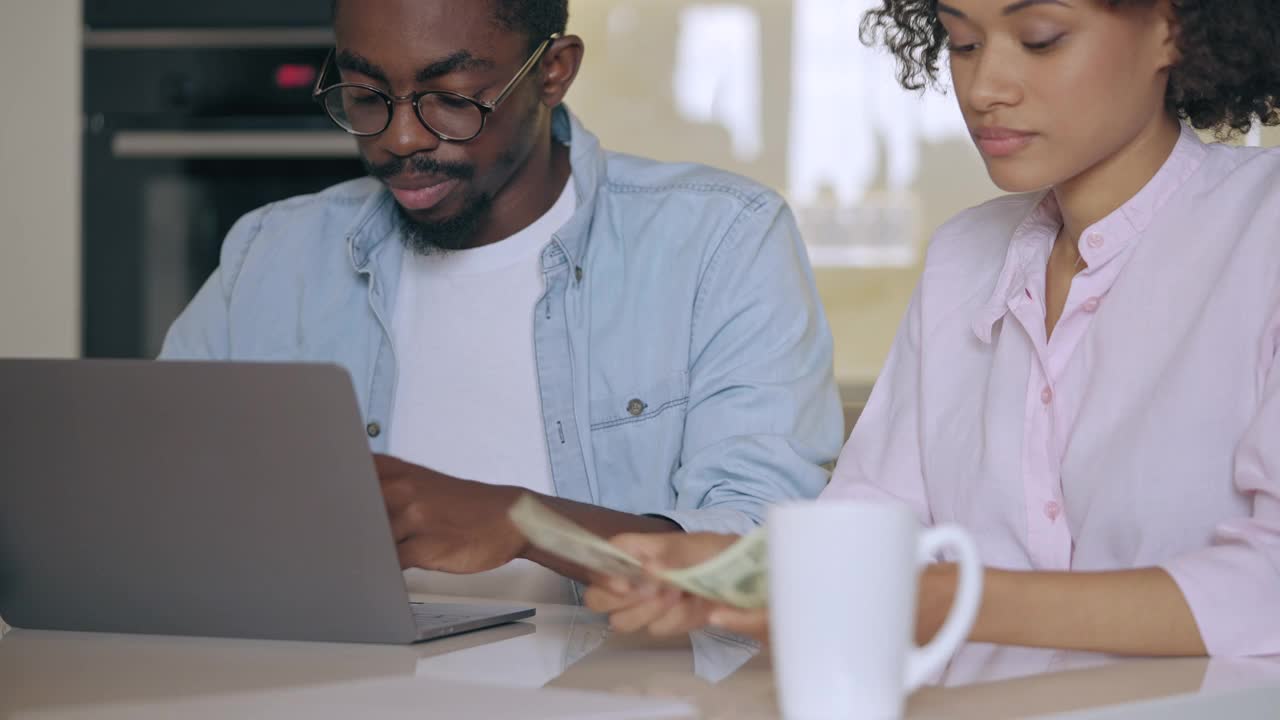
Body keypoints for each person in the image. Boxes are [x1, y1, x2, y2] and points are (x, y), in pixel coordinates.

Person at [585, 0, 1280, 657]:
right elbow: (876, 518)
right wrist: (732, 570)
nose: (984, 88)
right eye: (964, 43)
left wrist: (945, 601)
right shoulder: (963, 257)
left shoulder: (1263, 228)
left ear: (1172, 27)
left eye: (1040, 38)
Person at [160, 0, 843, 605]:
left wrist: (526, 525)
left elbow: (763, 556)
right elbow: (160, 498)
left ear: (554, 71)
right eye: (366, 95)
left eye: (451, 97)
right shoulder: (271, 253)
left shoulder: (720, 238)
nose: (400, 139)